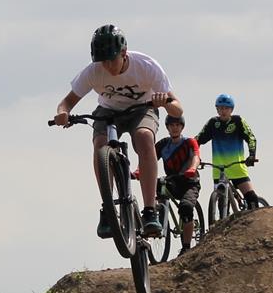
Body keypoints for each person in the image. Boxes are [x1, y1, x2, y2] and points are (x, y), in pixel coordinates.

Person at [52, 24, 183, 239]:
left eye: (111, 60)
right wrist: (62, 114)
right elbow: (67, 102)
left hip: (142, 108)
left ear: (124, 53)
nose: (107, 66)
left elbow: (178, 108)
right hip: (109, 111)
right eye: (102, 61)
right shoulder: (93, 72)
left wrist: (165, 103)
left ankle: (150, 210)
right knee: (100, 144)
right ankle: (108, 209)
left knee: (143, 137)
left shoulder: (146, 66)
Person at [195, 94, 260, 210]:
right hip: (218, 170)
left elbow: (251, 138)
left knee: (251, 197)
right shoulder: (213, 123)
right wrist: (195, 157)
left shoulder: (238, 121)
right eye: (220, 108)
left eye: (226, 108)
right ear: (217, 109)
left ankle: (255, 222)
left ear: (231, 110)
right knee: (221, 204)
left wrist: (252, 155)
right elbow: (197, 140)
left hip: (237, 168)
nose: (223, 111)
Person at [155, 113, 201, 254]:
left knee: (186, 207)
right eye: (171, 125)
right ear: (167, 127)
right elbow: (148, 160)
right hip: (173, 181)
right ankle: (159, 214)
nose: (174, 128)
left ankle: (186, 247)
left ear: (182, 127)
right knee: (158, 183)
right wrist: (139, 171)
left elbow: (196, 156)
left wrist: (192, 168)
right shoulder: (163, 144)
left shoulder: (189, 142)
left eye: (177, 125)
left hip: (190, 181)